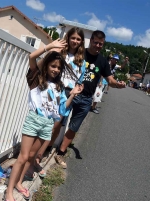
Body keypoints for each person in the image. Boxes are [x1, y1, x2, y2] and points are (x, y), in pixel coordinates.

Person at [4, 39, 83, 201]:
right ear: (46, 65)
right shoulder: (36, 79)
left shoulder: (59, 86)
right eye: (53, 66)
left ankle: (19, 183)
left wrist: (73, 94)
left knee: (32, 156)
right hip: (34, 120)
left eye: (59, 68)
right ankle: (9, 192)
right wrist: (49, 47)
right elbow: (32, 57)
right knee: (23, 157)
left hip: (47, 125)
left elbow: (62, 108)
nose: (55, 69)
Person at [54, 30, 126, 169]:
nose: (98, 45)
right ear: (91, 41)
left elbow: (109, 80)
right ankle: (47, 148)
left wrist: (117, 85)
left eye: (101, 44)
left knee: (74, 127)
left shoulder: (103, 61)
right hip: (71, 93)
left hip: (86, 99)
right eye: (96, 42)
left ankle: (60, 152)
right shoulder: (80, 53)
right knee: (59, 121)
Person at [31, 27, 86, 177]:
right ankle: (30, 157)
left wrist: (75, 92)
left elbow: (79, 81)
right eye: (73, 38)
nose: (75, 41)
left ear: (81, 42)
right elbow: (42, 64)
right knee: (42, 124)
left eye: (78, 39)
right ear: (68, 38)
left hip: (67, 93)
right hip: (52, 89)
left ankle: (37, 158)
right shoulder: (59, 52)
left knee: (54, 128)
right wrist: (51, 48)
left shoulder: (82, 62)